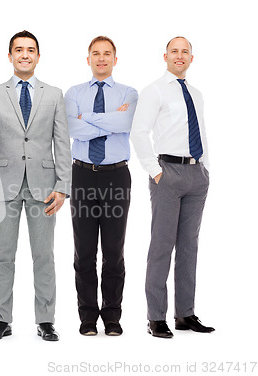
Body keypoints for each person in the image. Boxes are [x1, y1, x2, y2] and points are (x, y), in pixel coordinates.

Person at [0, 30, 72, 342]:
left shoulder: (54, 94)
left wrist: (63, 186)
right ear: (10, 56)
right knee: (3, 254)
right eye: (19, 50)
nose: (25, 55)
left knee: (44, 254)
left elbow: (62, 143)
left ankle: (46, 320)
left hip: (44, 185)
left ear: (38, 56)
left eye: (30, 50)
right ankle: (1, 319)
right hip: (5, 183)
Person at [130, 36, 214, 338]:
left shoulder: (196, 93)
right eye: (174, 51)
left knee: (189, 247)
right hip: (167, 172)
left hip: (196, 174)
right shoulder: (154, 91)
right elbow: (139, 132)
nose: (180, 56)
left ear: (192, 58)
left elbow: (201, 131)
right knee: (162, 246)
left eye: (185, 52)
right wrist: (155, 172)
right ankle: (156, 317)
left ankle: (185, 314)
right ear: (165, 56)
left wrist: (206, 168)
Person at [65, 36, 137, 337]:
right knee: (83, 252)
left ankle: (112, 316)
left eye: (107, 54)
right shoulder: (73, 93)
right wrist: (110, 118)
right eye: (96, 54)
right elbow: (72, 127)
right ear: (88, 59)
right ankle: (87, 316)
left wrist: (89, 119)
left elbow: (125, 124)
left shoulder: (129, 93)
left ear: (115, 60)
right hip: (82, 175)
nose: (102, 58)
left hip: (116, 176)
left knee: (113, 251)